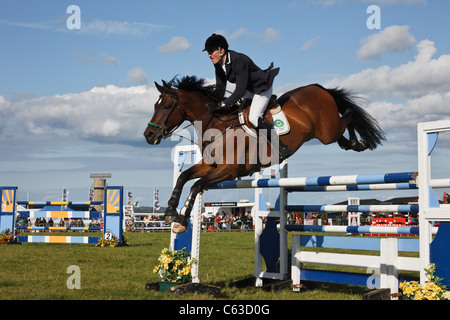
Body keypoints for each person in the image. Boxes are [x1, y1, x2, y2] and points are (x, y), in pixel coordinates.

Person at [203, 33, 291, 161]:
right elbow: (220, 89)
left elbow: (239, 90)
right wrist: (213, 102)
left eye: (211, 51)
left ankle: (281, 146)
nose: (209, 55)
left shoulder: (238, 60)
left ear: (221, 50)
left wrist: (223, 104)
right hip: (248, 91)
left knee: (254, 118)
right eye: (208, 52)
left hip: (261, 89)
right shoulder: (218, 64)